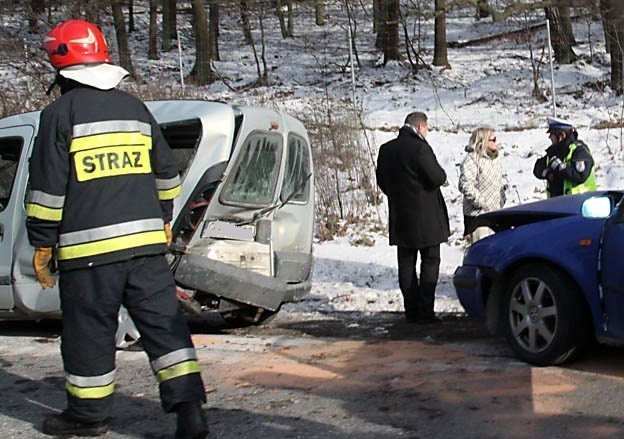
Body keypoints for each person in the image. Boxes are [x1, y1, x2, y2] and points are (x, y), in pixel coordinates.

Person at [25, 20, 208, 438]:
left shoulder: (58, 115)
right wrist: (162, 218)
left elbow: (47, 192)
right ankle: (191, 413)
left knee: (89, 333)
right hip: (146, 250)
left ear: (59, 62)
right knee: (165, 328)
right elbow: (168, 174)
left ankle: (89, 418)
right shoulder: (135, 109)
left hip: (89, 254)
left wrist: (41, 243)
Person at [376, 112, 450, 324]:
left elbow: (382, 181)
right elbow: (437, 176)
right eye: (426, 128)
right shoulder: (420, 148)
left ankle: (411, 310)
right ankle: (425, 311)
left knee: (406, 264)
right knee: (430, 262)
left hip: (401, 216)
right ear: (419, 127)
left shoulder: (386, 149)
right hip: (427, 219)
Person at [458, 127, 506, 243]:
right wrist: (480, 202)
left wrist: (502, 198)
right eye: (493, 140)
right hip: (478, 217)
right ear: (483, 141)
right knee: (482, 252)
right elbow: (465, 184)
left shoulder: (494, 159)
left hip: (494, 213)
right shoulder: (472, 159)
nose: (496, 143)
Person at [533, 116, 597, 198]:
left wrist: (560, 167)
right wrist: (548, 174)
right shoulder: (554, 152)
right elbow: (538, 168)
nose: (550, 137)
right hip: (558, 205)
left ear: (562, 135)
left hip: (581, 203)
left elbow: (580, 176)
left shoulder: (579, 151)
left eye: (551, 134)